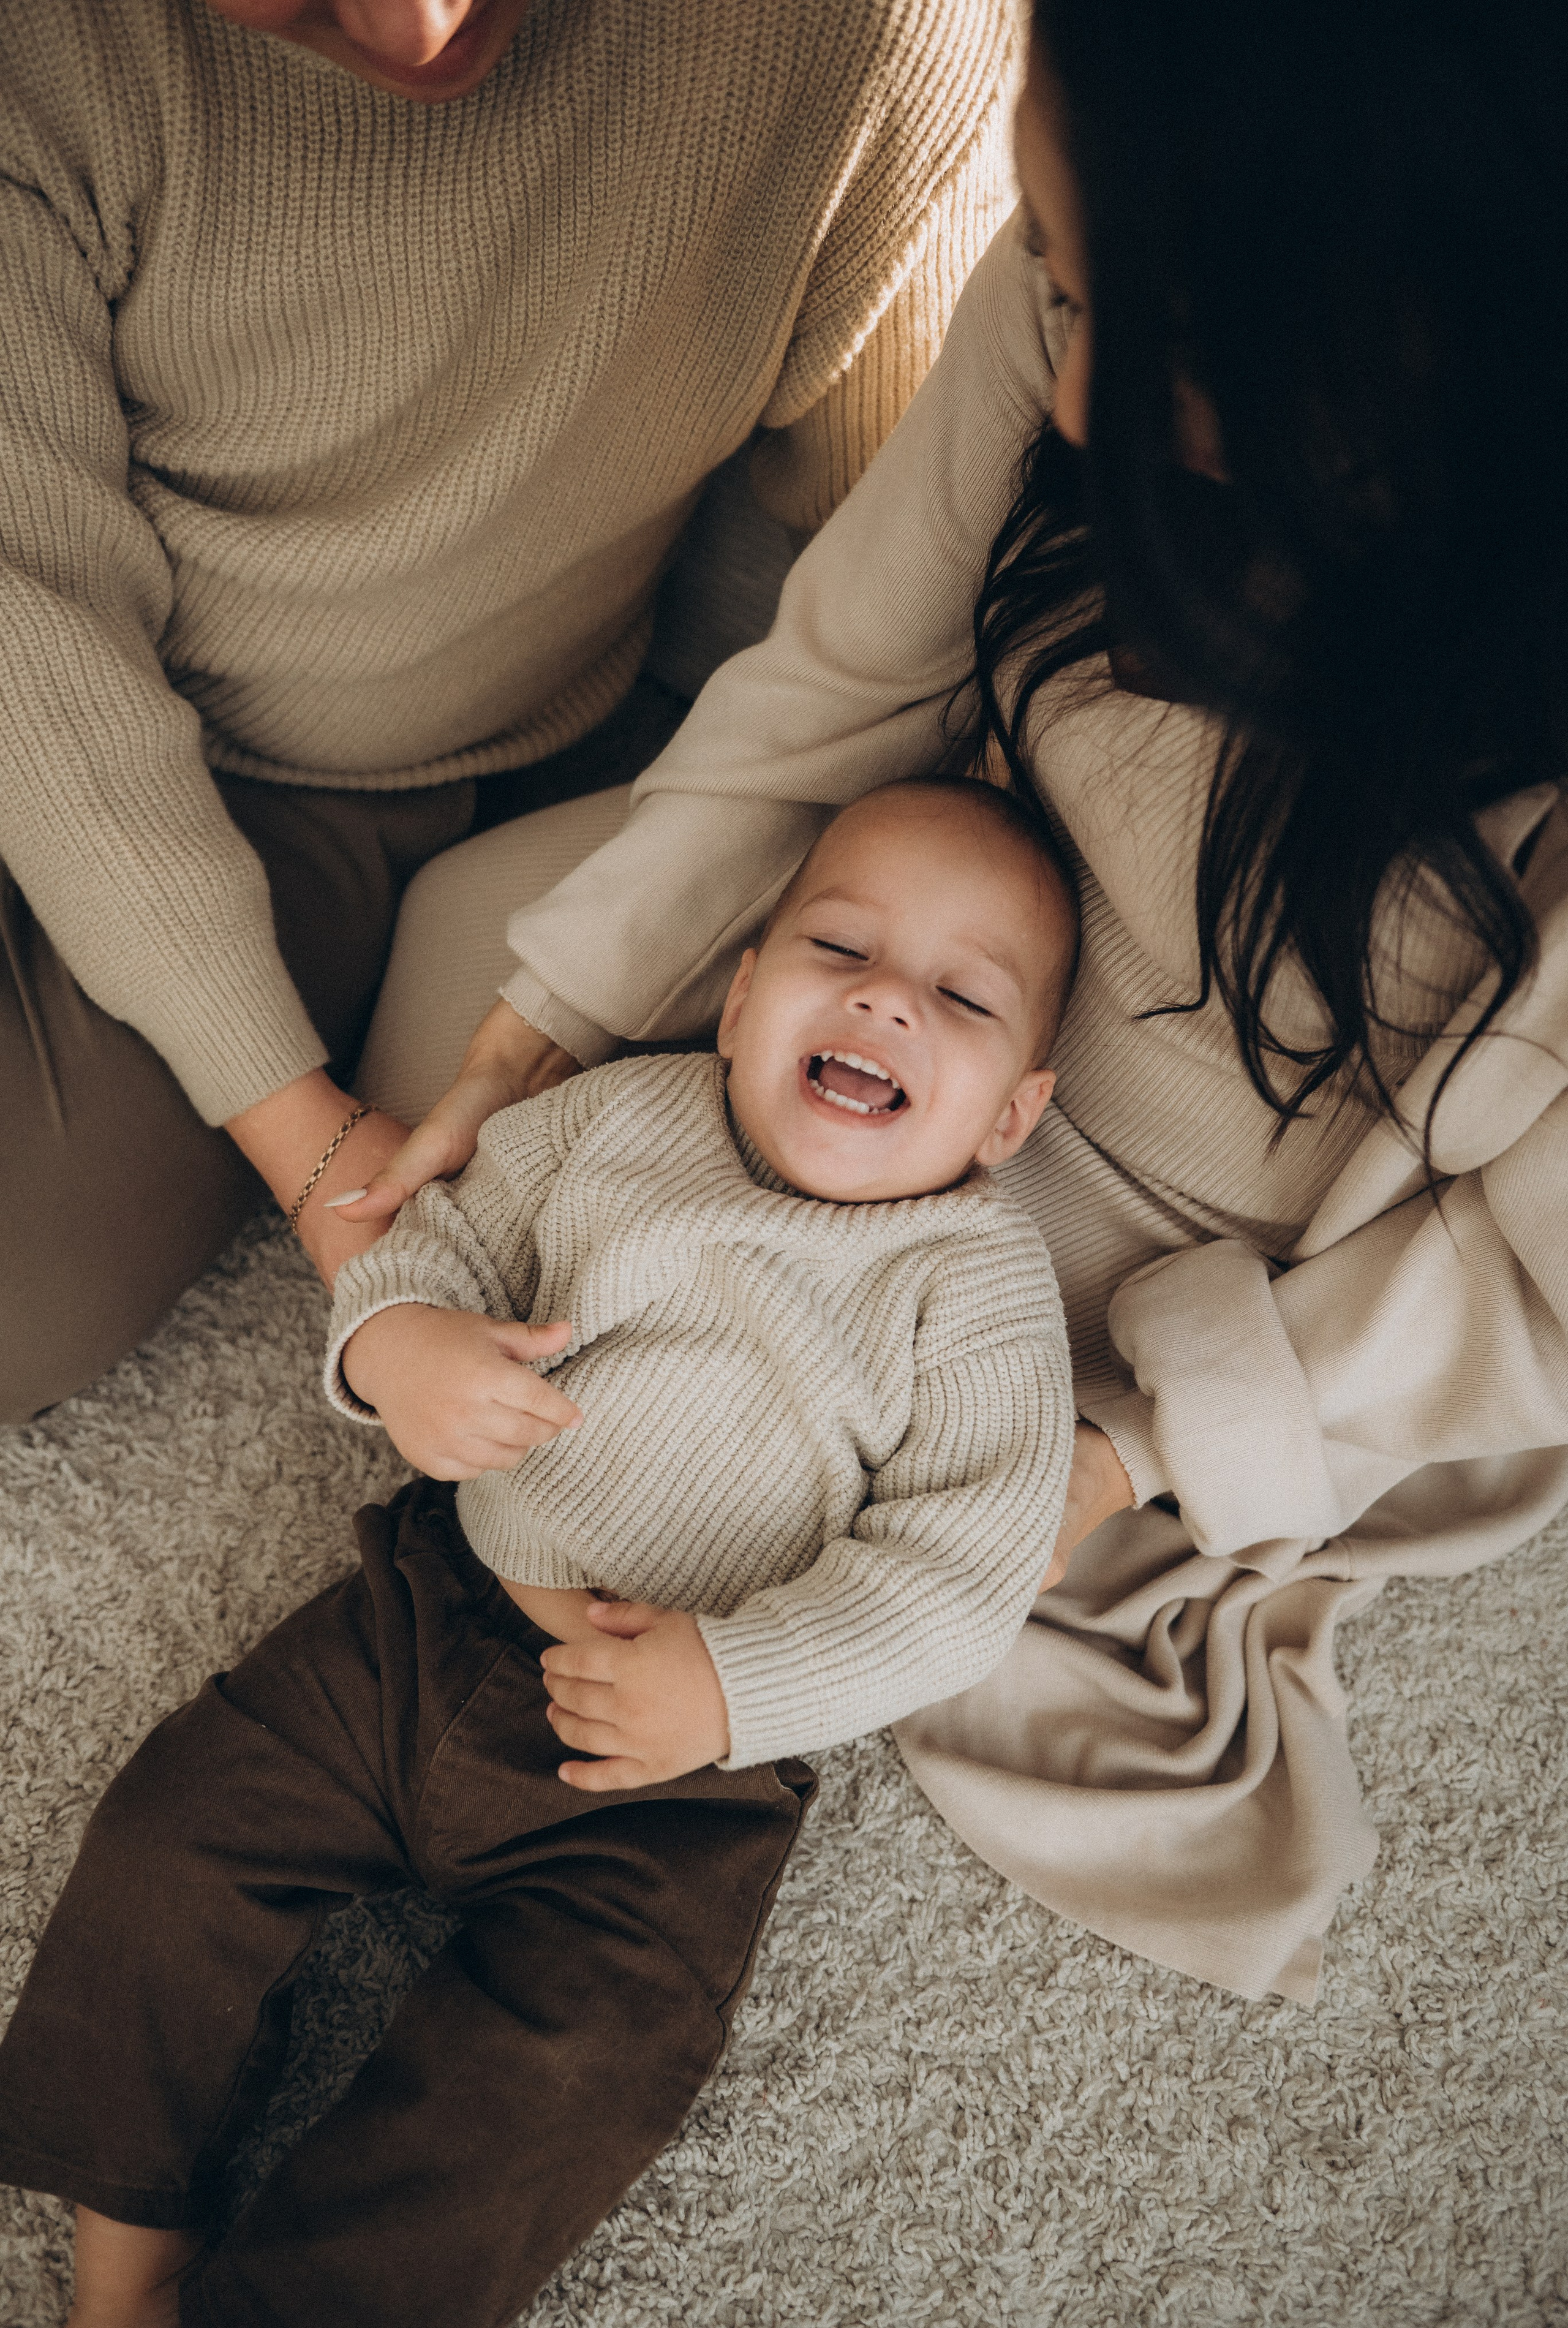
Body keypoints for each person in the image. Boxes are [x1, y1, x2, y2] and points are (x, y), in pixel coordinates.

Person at [346, 0, 1568, 2006]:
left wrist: (1105, 1455)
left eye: (1151, 330)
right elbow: (844, 673)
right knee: (454, 1026)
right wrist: (535, 1040)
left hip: (1256, 1239)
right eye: (1061, 288)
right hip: (950, 967)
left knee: (931, 1601)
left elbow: (1528, 1289)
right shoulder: (1114, 211)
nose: (1075, 401)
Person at [0, 780, 1079, 2328]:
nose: (881, 995)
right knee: (171, 1846)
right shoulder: (614, 1121)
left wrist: (729, 1682)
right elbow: (436, 1238)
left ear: (1009, 1117)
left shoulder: (974, 1288)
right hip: (422, 1624)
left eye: (959, 995)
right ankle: (125, 2275)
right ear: (733, 1000)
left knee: (569, 2080)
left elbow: (962, 1571)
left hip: (673, 1786)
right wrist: (403, 1347)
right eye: (836, 943)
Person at [0, 0, 1020, 1422]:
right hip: (61, 669)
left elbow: (869, 597)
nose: (415, 28)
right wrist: (307, 1146)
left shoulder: (869, 39)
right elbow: (33, 649)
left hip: (326, 772)